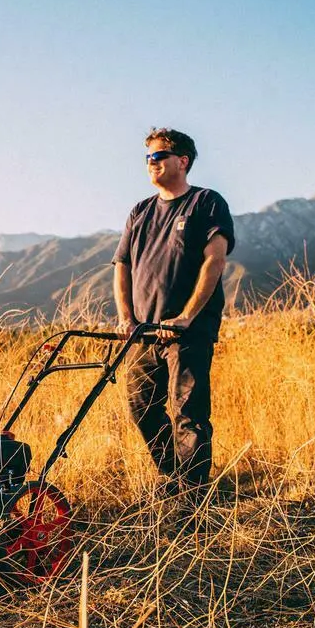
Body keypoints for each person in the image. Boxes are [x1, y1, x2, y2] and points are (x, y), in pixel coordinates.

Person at [112, 127, 235, 509]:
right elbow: (122, 265)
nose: (151, 163)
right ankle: (172, 477)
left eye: (159, 156)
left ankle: (192, 499)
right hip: (144, 332)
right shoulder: (140, 212)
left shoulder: (205, 203)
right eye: (147, 157)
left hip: (188, 332)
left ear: (182, 161)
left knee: (189, 413)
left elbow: (215, 260)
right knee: (141, 407)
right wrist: (127, 318)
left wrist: (185, 317)